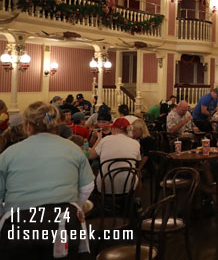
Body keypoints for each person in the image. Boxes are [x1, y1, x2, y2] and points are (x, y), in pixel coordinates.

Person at [0, 102, 94, 258]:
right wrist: (73, 203)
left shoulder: (9, 153)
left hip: (20, 227)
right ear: (56, 123)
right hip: (64, 224)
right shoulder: (73, 148)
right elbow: (88, 186)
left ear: (28, 126)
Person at [89, 117, 141, 193]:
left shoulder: (105, 139)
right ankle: (136, 202)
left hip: (105, 186)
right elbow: (138, 161)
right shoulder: (135, 143)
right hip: (129, 186)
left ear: (116, 129)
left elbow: (91, 156)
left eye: (112, 128)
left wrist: (99, 138)